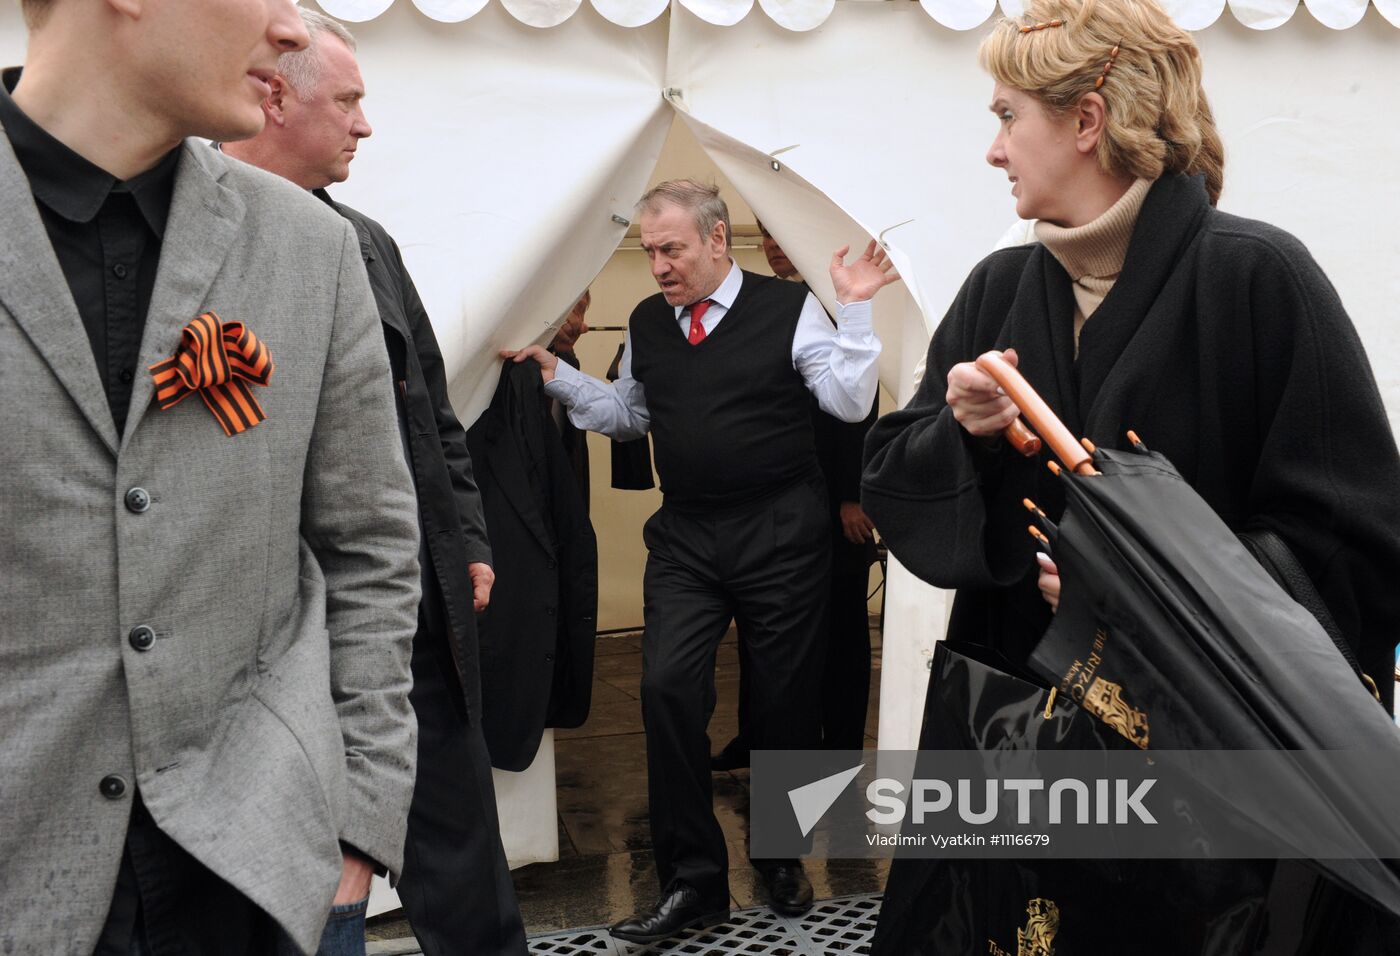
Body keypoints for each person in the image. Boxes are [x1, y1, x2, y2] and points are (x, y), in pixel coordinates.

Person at [861, 0, 1400, 948]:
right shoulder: (995, 288)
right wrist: (967, 433)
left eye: (1004, 117)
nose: (993, 152)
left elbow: (1361, 549)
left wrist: (1150, 591)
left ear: (1086, 119)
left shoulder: (1259, 278)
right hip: (1018, 747)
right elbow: (896, 487)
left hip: (1197, 790)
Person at [0, 1, 425, 954]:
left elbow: (371, 544)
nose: (287, 28)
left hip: (262, 874)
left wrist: (358, 812)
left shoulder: (311, 249)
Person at [507, 179, 899, 942]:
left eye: (671, 249)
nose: (656, 266)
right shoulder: (650, 323)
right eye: (650, 251)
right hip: (687, 535)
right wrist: (560, 375)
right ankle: (693, 881)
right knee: (665, 689)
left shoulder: (793, 310)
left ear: (718, 241)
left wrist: (854, 309)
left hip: (783, 530)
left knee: (787, 701)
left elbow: (849, 404)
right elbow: (630, 416)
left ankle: (782, 858)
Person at [222, 11, 528, 955]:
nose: (365, 126)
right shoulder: (199, 243)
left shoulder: (368, 243)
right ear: (276, 97)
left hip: (416, 624)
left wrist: (466, 539)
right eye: (349, 102)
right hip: (273, 635)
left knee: (467, 877)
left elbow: (433, 413)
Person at [712, 223, 879, 771]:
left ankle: (842, 747)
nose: (775, 243)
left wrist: (852, 496)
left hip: (835, 503)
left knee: (841, 631)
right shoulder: (761, 302)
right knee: (763, 627)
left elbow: (860, 403)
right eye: (765, 234)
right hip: (779, 500)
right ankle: (756, 738)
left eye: (782, 231)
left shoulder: (837, 301)